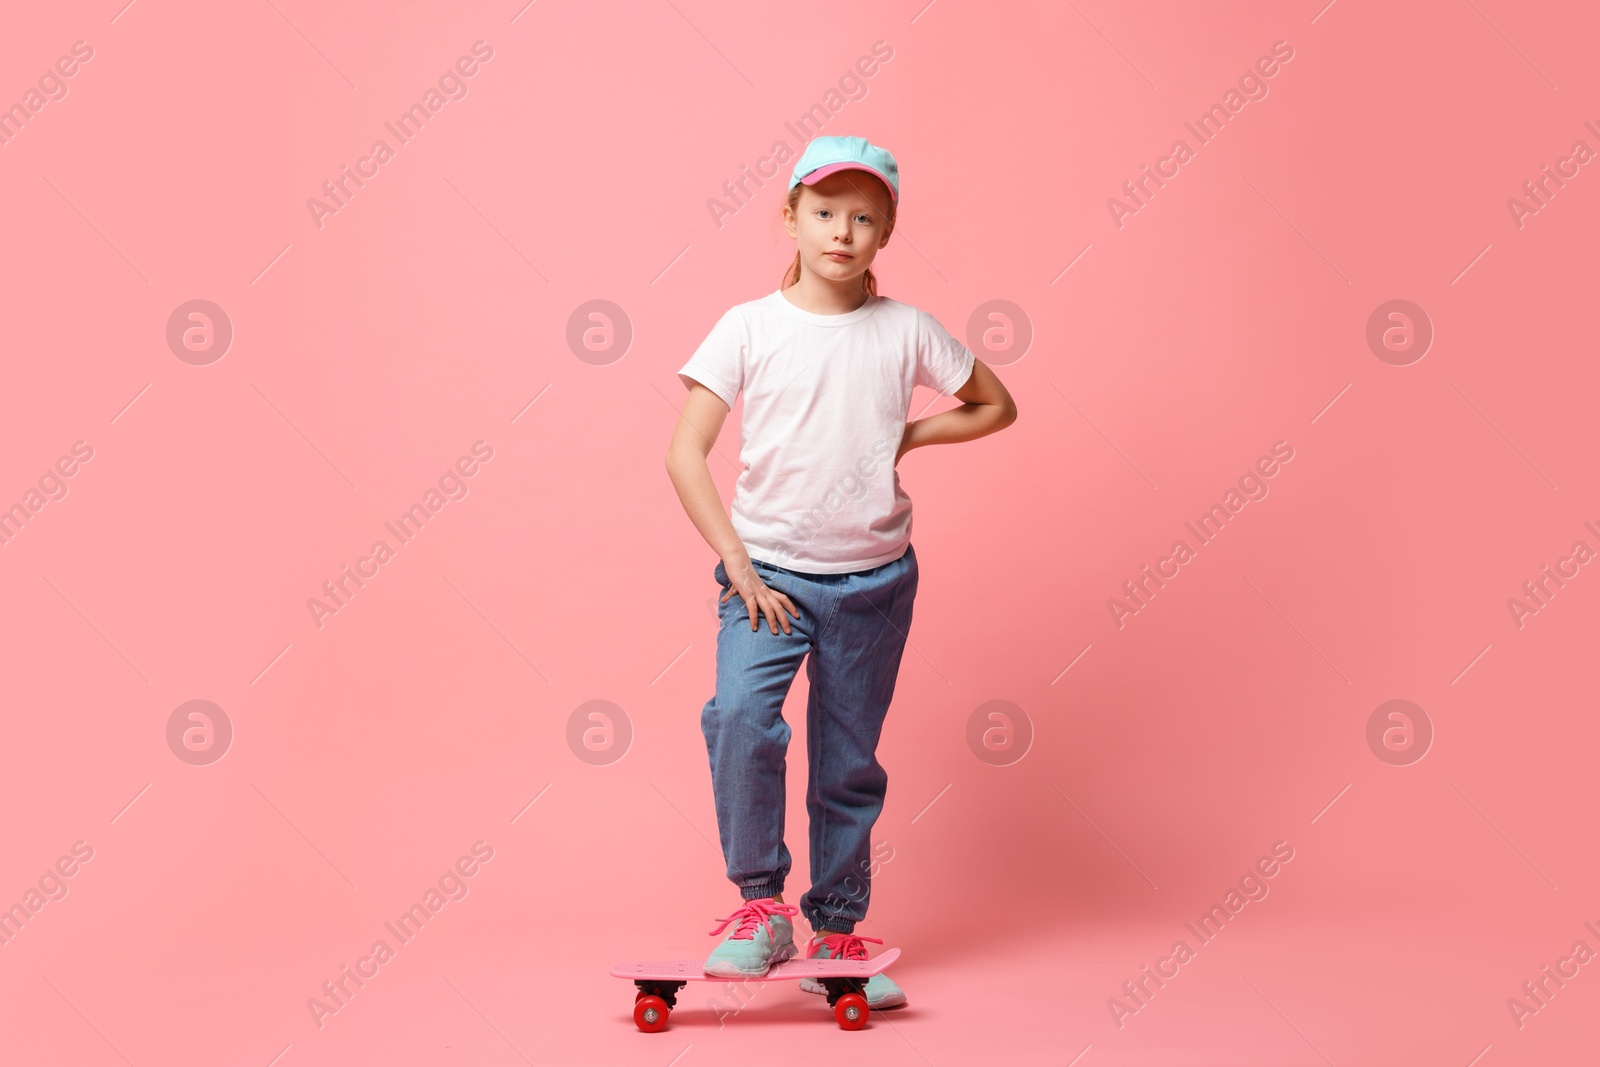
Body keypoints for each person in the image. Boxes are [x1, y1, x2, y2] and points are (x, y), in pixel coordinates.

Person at [664, 134, 1017, 1011]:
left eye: (864, 217)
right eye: (824, 212)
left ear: (886, 232)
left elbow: (996, 404)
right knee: (742, 717)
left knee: (847, 759)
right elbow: (684, 453)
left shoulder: (906, 330)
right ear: (789, 216)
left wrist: (916, 433)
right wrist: (738, 564)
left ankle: (838, 925)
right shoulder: (748, 327)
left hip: (872, 582)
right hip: (768, 580)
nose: (841, 232)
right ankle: (759, 907)